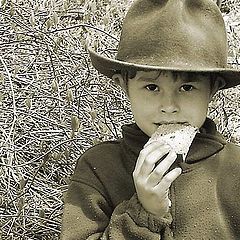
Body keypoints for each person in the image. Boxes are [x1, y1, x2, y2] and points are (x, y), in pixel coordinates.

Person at [61, 0, 240, 239]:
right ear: (123, 85)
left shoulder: (235, 169)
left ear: (213, 88)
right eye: (152, 87)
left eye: (187, 87)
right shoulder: (100, 168)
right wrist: (144, 214)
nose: (169, 106)